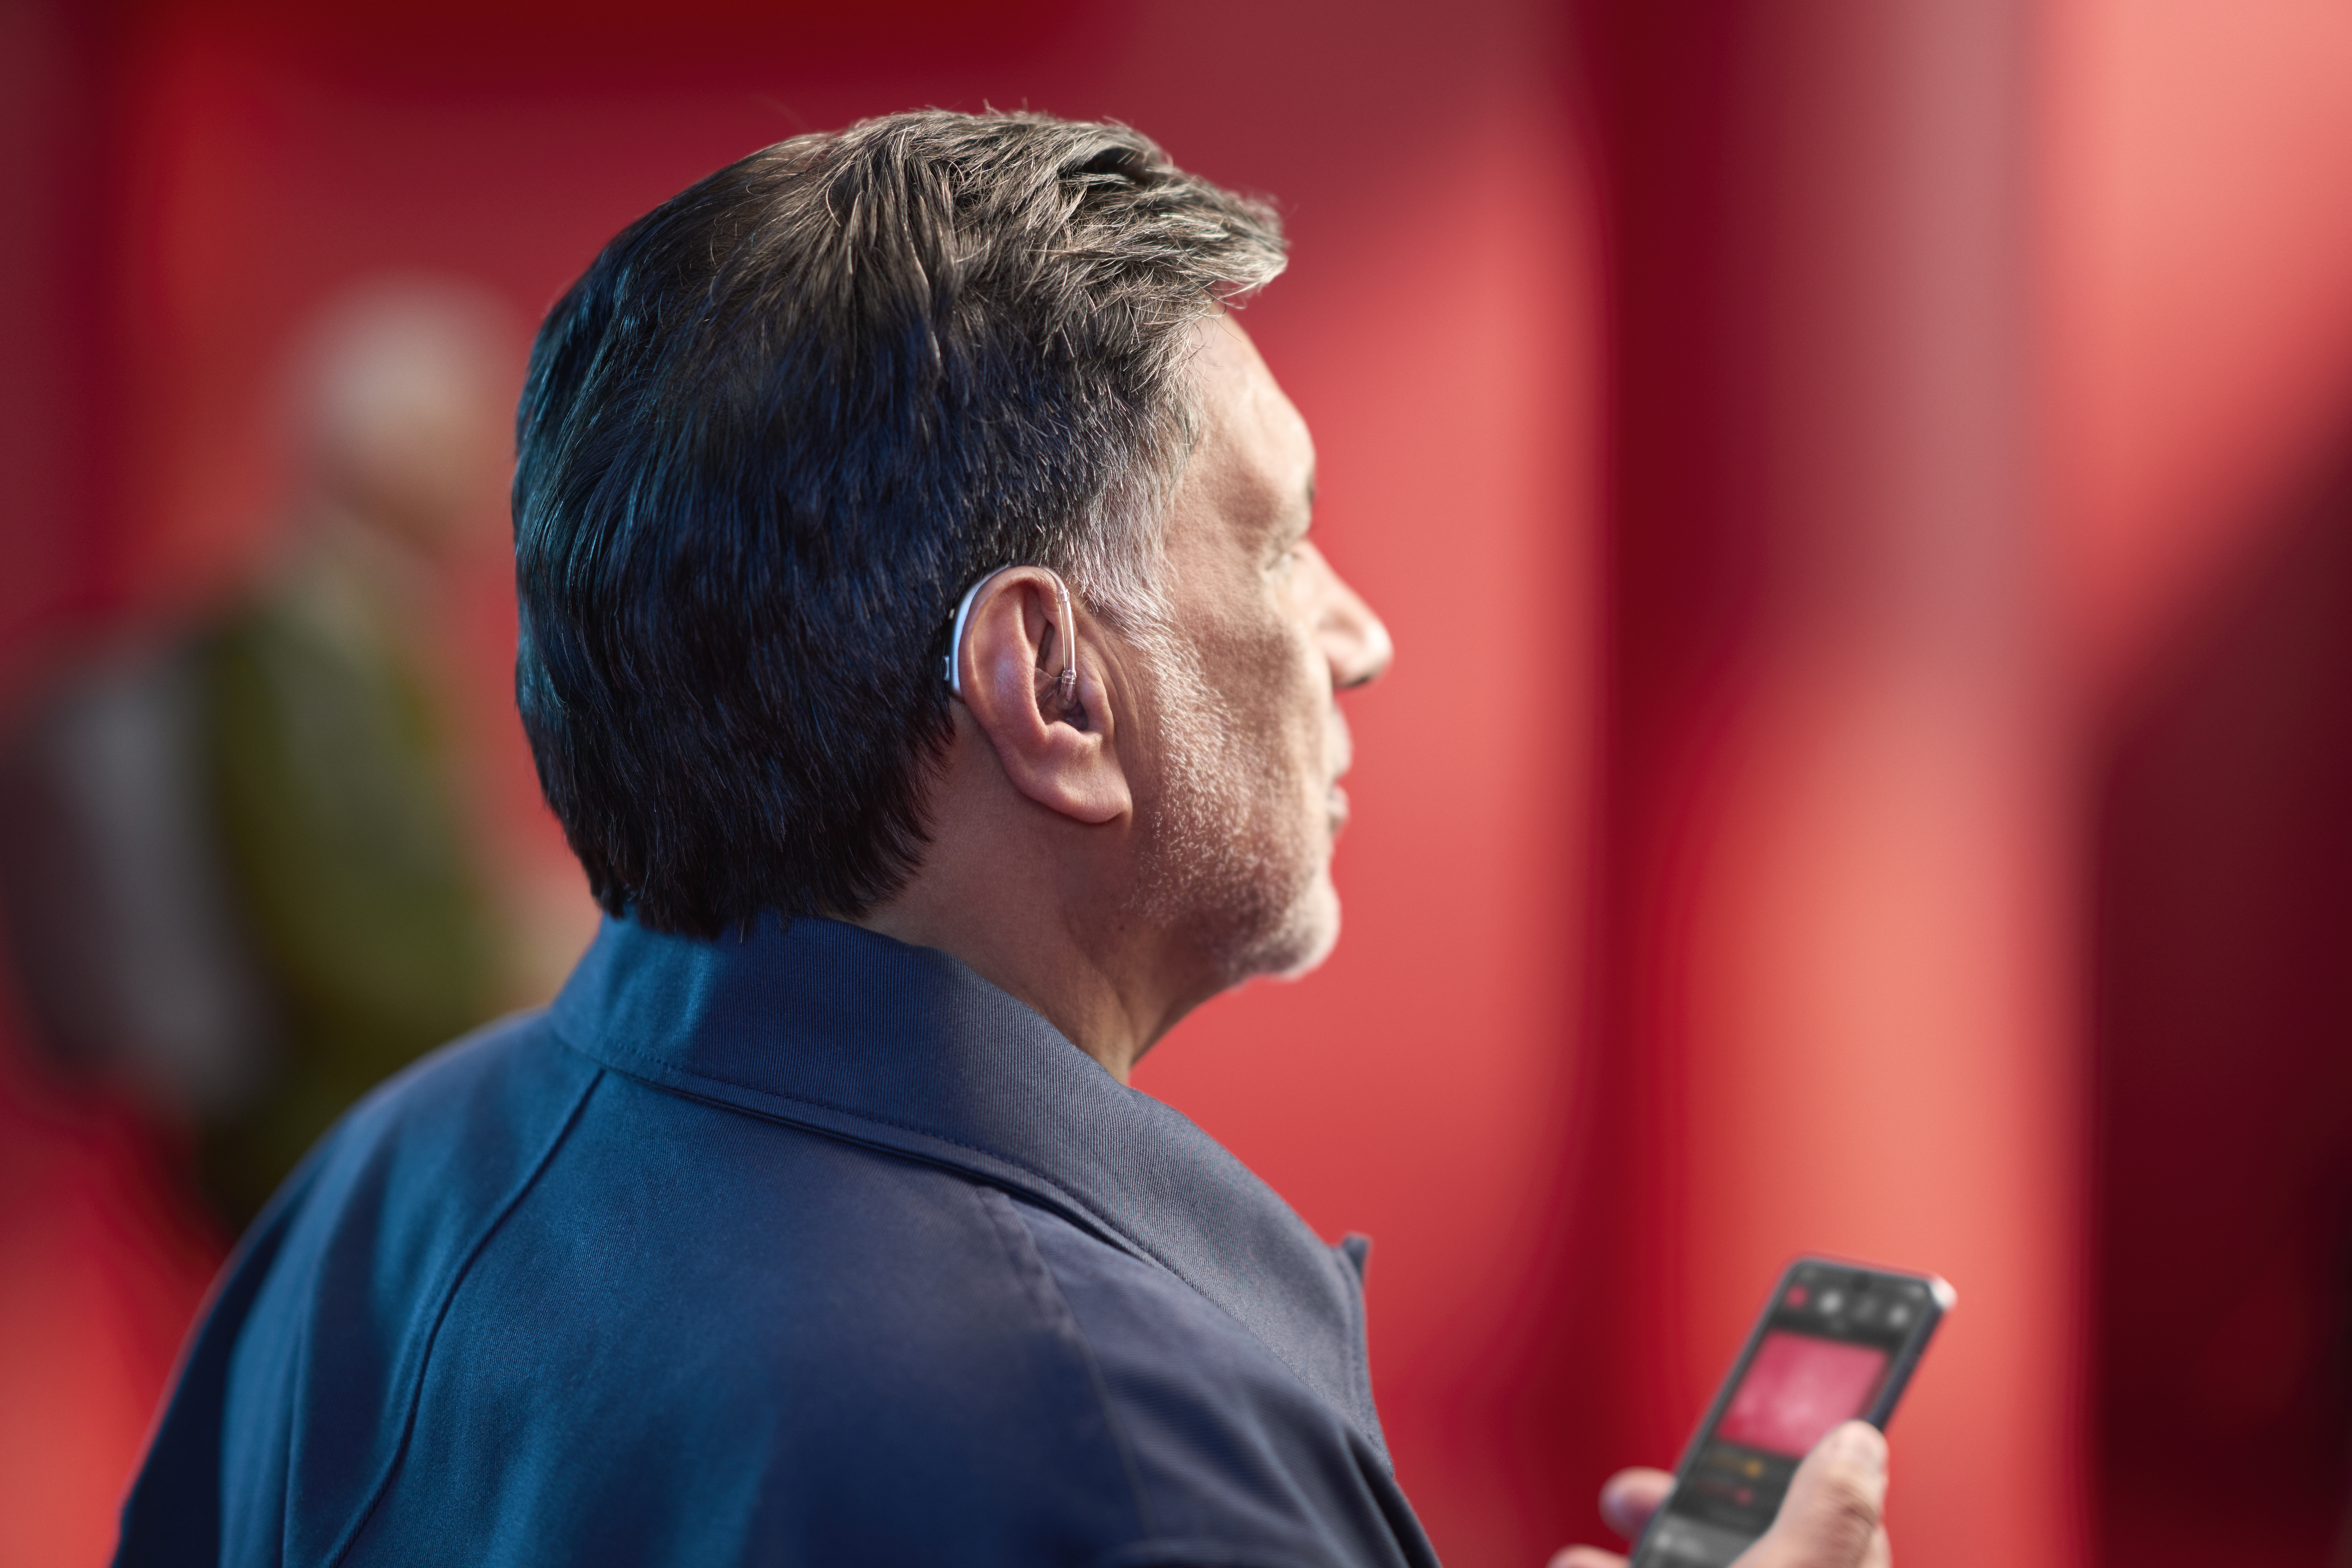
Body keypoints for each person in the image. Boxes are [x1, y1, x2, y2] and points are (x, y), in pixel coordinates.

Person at [115, 110, 1895, 1567]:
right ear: (1051, 685)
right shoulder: (1121, 1455)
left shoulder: (376, 1192)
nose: (1359, 634)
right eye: (1281, 541)